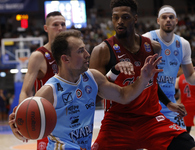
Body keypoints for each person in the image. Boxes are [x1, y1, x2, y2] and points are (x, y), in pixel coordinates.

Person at [9, 29, 163, 150]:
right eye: (81, 51)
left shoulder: (92, 77)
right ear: (65, 59)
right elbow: (26, 122)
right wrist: (18, 126)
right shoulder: (49, 91)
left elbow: (123, 95)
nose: (87, 55)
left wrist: (143, 78)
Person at [89, 0, 195, 149]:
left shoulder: (153, 47)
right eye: (115, 17)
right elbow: (93, 96)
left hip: (151, 120)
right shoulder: (101, 50)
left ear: (135, 18)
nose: (119, 22)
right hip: (117, 123)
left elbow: (152, 82)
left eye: (125, 17)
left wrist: (168, 103)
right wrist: (114, 71)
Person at [11, 11, 66, 150]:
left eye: (63, 24)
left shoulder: (72, 53)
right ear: (46, 28)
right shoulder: (39, 56)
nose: (60, 28)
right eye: (55, 25)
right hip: (46, 122)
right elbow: (25, 90)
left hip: (69, 119)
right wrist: (21, 119)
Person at [143, 5, 195, 129]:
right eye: (164, 17)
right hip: (147, 103)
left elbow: (190, 76)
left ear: (176, 21)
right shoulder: (147, 38)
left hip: (170, 104)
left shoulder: (183, 44)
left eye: (171, 17)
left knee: (183, 142)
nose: (168, 19)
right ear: (158, 20)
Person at [175, 60, 195, 134]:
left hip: (185, 106)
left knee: (187, 128)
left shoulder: (179, 78)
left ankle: (187, 143)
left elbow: (174, 93)